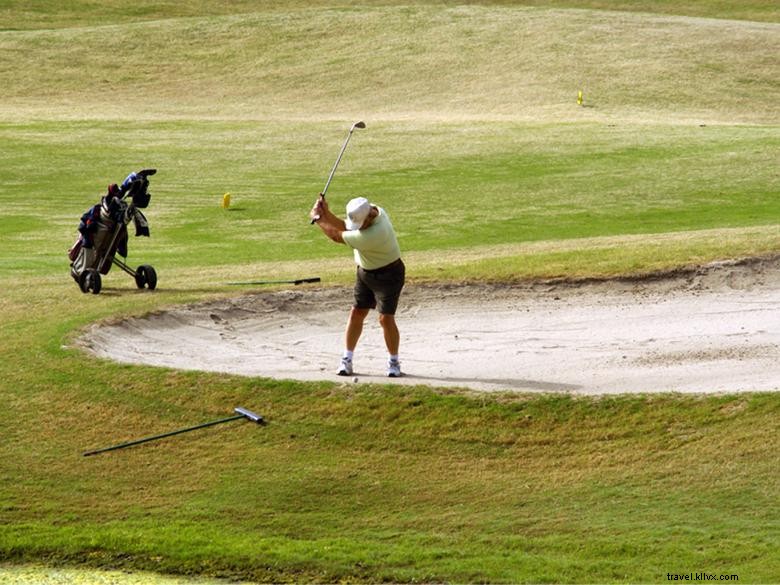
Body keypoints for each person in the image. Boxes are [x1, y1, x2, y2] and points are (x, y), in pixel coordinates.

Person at [310, 194, 405, 377]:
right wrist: (326, 213)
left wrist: (318, 218)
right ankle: (347, 359)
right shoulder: (373, 210)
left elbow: (337, 235)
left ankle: (394, 362)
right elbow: (346, 226)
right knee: (357, 312)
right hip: (365, 273)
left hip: (390, 274)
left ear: (369, 217)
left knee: (385, 318)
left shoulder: (375, 233)